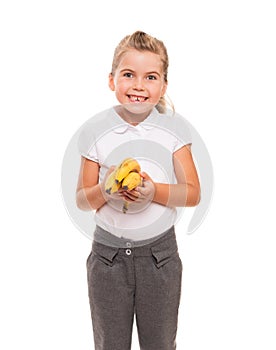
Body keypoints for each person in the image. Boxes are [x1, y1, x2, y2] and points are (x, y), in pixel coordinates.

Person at [76, 31, 201, 350]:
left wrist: (152, 192)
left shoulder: (174, 129)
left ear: (163, 86)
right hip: (108, 258)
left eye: (151, 77)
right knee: (110, 345)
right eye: (128, 74)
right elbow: (81, 199)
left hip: (160, 257)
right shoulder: (95, 130)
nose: (139, 85)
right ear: (111, 80)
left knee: (160, 344)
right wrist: (106, 192)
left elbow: (193, 193)